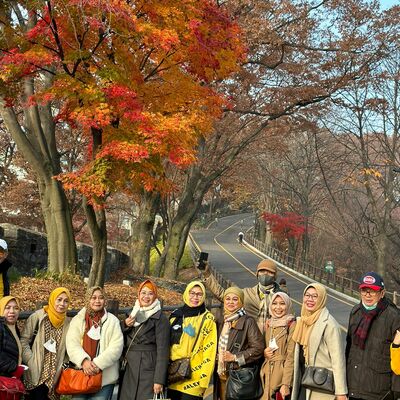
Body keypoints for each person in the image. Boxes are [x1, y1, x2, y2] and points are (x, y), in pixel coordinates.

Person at [346, 272, 400, 400]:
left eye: (373, 291)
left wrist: (396, 393)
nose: (367, 295)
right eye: (364, 291)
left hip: (381, 393)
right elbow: (348, 352)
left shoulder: (394, 316)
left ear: (382, 293)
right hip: (354, 389)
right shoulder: (355, 312)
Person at [291, 283, 347, 400]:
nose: (310, 299)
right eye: (307, 295)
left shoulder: (330, 324)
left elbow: (338, 360)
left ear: (322, 299)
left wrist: (341, 392)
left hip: (321, 383)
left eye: (315, 296)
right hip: (303, 378)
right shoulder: (302, 321)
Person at [66, 286, 123, 400]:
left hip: (104, 378)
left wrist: (97, 364)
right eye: (93, 298)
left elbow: (116, 347)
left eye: (101, 298)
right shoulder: (78, 320)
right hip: (81, 374)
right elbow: (72, 343)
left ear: (105, 300)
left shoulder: (112, 321)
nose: (97, 301)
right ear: (88, 299)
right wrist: (84, 361)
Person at [119, 280, 170, 400]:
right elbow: (117, 337)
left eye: (150, 293)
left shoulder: (161, 319)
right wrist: (125, 325)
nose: (146, 297)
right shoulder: (132, 313)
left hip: (149, 369)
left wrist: (159, 380)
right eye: (143, 293)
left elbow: (163, 351)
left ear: (155, 296)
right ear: (138, 294)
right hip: (129, 368)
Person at [201, 259, 281, 333]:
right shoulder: (247, 293)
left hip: (272, 341)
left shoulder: (281, 297)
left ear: (275, 276)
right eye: (262, 271)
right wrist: (208, 275)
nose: (265, 274)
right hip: (251, 337)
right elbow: (223, 295)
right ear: (257, 274)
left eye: (270, 272)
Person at [168, 281, 217, 400]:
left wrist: (204, 380)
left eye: (199, 294)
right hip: (173, 375)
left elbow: (209, 351)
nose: (195, 297)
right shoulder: (175, 316)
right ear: (186, 293)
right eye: (192, 293)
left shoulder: (207, 319)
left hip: (194, 378)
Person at [21, 287, 71, 400]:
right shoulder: (38, 317)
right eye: (59, 299)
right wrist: (30, 359)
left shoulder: (69, 323)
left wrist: (64, 364)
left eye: (66, 301)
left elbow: (70, 347)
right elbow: (24, 340)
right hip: (36, 375)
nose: (62, 304)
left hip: (54, 379)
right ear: (53, 299)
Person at [214, 286, 264, 400]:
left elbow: (258, 348)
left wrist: (235, 357)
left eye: (235, 299)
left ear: (241, 302)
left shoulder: (248, 321)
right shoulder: (221, 320)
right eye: (228, 299)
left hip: (238, 377)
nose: (231, 302)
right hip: (221, 374)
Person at [260, 292, 296, 400]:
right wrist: (264, 352)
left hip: (280, 376)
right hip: (266, 373)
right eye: (274, 303)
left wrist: (286, 384)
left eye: (282, 303)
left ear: (288, 305)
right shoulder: (269, 323)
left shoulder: (291, 324)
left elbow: (291, 356)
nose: (278, 307)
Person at [0, 296, 24, 379]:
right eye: (7, 308)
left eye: (16, 308)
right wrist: (15, 369)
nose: (12, 311)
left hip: (11, 378)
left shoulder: (13, 327)